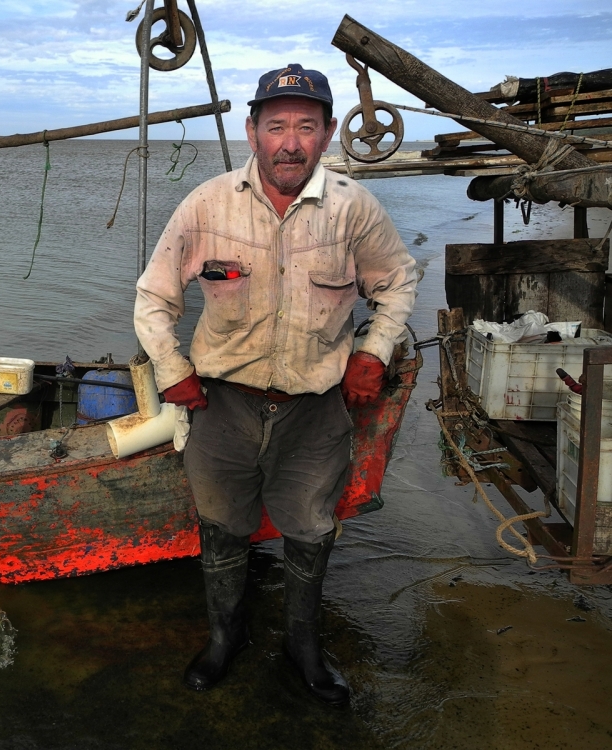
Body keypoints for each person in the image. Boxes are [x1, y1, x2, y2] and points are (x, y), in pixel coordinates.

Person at [134, 64, 417, 706]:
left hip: (316, 411)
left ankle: (303, 648)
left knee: (312, 530)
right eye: (277, 126)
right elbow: (154, 296)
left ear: (327, 135)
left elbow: (398, 280)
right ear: (252, 132)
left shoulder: (353, 208)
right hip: (222, 405)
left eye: (306, 127)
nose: (290, 142)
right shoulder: (207, 204)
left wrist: (374, 349)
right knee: (221, 526)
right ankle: (223, 638)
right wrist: (172, 372)